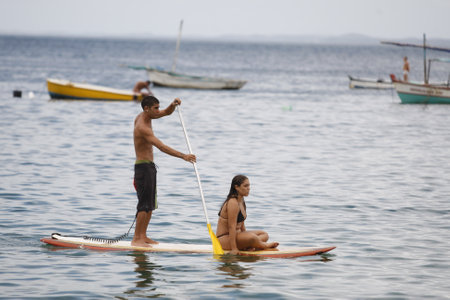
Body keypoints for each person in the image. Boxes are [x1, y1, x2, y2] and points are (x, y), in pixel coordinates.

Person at [132, 95, 196, 247]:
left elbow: (166, 112)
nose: (158, 111)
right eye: (156, 108)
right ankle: (136, 239)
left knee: (151, 204)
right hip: (143, 168)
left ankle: (143, 236)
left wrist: (173, 105)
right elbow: (160, 146)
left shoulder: (148, 115)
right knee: (144, 205)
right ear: (146, 109)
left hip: (150, 166)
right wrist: (183, 156)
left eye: (158, 107)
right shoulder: (142, 126)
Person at [216, 175, 279, 255]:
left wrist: (247, 241)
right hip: (224, 239)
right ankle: (264, 245)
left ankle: (252, 245)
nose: (248, 188)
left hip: (238, 235)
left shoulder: (241, 201)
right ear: (237, 187)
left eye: (249, 185)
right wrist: (234, 249)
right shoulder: (233, 202)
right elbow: (231, 227)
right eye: (245, 186)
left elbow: (242, 224)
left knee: (264, 234)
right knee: (252, 237)